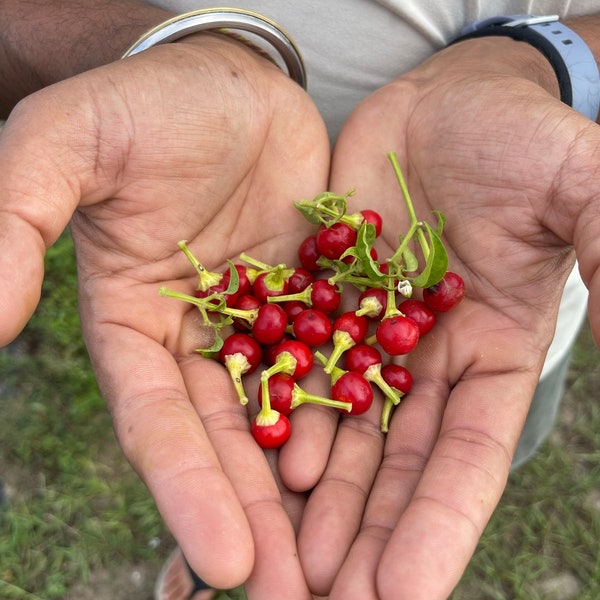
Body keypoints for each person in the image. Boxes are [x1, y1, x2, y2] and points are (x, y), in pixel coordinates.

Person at [0, 1, 599, 599]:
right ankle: (210, 559)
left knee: (463, 452)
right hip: (209, 183)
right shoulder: (322, 304)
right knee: (212, 476)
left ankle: (219, 559)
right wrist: (158, 52)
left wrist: (539, 63)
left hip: (499, 292)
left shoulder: (388, 311)